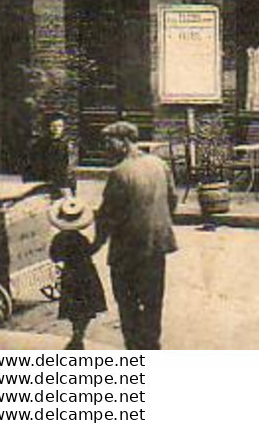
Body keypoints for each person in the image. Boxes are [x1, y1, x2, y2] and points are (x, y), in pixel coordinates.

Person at [92, 122, 177, 351]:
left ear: (124, 141)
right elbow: (172, 200)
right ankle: (152, 346)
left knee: (127, 304)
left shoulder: (120, 173)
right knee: (153, 301)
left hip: (128, 250)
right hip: (157, 245)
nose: (107, 148)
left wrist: (95, 245)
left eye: (109, 142)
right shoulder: (159, 164)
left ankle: (135, 352)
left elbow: (108, 216)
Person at [47, 197, 106, 350]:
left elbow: (54, 256)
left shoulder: (59, 238)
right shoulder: (82, 239)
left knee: (74, 305)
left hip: (70, 274)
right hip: (86, 273)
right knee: (87, 305)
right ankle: (79, 332)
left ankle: (76, 331)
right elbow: (90, 251)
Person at [23, 111, 77, 197]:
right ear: (48, 127)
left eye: (59, 126)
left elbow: (69, 167)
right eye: (53, 126)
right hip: (42, 181)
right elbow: (33, 163)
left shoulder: (67, 145)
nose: (56, 129)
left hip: (61, 183)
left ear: (63, 128)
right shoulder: (40, 144)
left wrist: (66, 186)